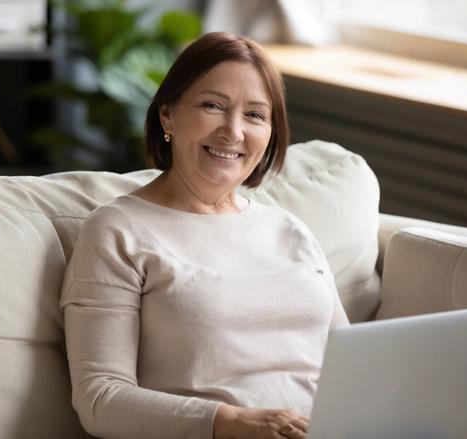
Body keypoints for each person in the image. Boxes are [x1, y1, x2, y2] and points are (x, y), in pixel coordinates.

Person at [60, 31, 349, 439]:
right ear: (168, 116)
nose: (232, 132)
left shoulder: (290, 230)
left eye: (254, 115)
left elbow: (355, 366)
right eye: (212, 105)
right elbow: (100, 399)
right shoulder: (117, 231)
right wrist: (230, 422)